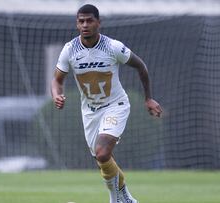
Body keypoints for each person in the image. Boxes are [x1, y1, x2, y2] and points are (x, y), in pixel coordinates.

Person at [51, 4, 163, 203]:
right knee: (102, 161)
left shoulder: (113, 47)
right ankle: (126, 198)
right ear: (77, 24)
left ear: (98, 23)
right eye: (81, 21)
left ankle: (115, 199)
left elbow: (141, 67)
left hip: (115, 106)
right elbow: (57, 79)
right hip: (89, 112)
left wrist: (148, 98)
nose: (85, 25)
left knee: (103, 153)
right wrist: (56, 95)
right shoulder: (69, 50)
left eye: (89, 20)